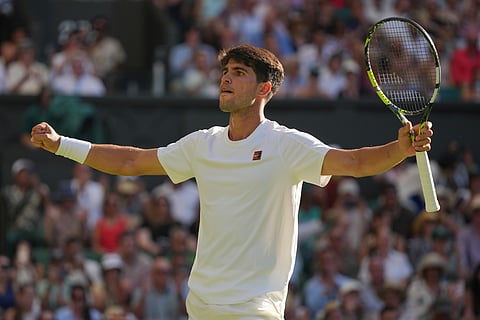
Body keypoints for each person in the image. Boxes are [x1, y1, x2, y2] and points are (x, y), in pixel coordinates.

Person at [30, 44, 434, 319]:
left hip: (254, 309)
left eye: (238, 73)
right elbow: (133, 161)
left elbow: (356, 163)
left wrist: (399, 149)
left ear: (264, 88)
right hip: (202, 306)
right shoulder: (202, 145)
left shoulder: (286, 145)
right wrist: (62, 144)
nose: (225, 78)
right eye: (225, 71)